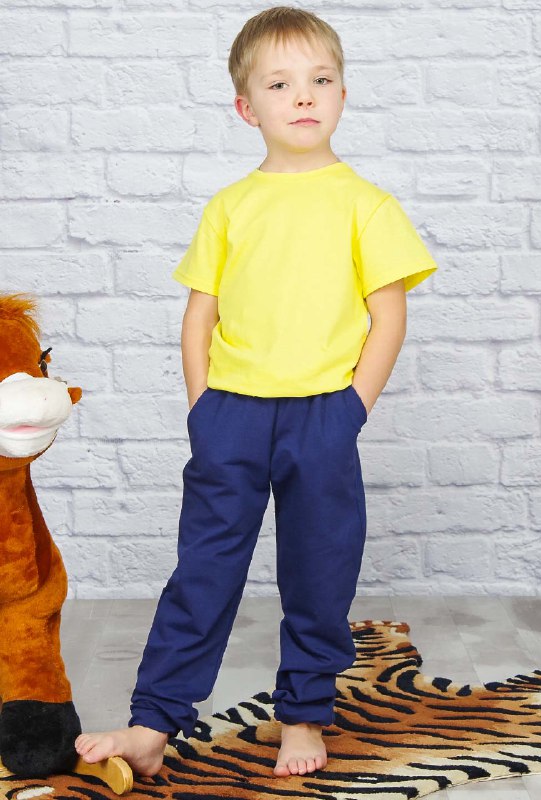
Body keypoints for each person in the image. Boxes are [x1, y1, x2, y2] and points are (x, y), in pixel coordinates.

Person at [75, 4, 438, 780]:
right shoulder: (229, 206)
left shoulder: (366, 203)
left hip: (323, 417)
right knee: (203, 571)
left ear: (342, 95)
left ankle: (303, 713)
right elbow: (199, 315)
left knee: (319, 572)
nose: (303, 96)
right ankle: (153, 722)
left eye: (320, 80)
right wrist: (202, 407)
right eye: (280, 84)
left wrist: (351, 409)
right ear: (247, 108)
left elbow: (388, 314)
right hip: (230, 416)